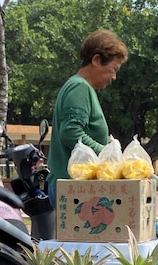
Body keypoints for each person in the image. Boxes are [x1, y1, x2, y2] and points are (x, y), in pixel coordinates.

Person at [46, 28, 128, 200]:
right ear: (97, 60)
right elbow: (71, 133)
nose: (114, 77)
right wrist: (108, 154)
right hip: (73, 191)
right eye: (114, 69)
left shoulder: (79, 87)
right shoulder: (79, 88)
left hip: (73, 190)